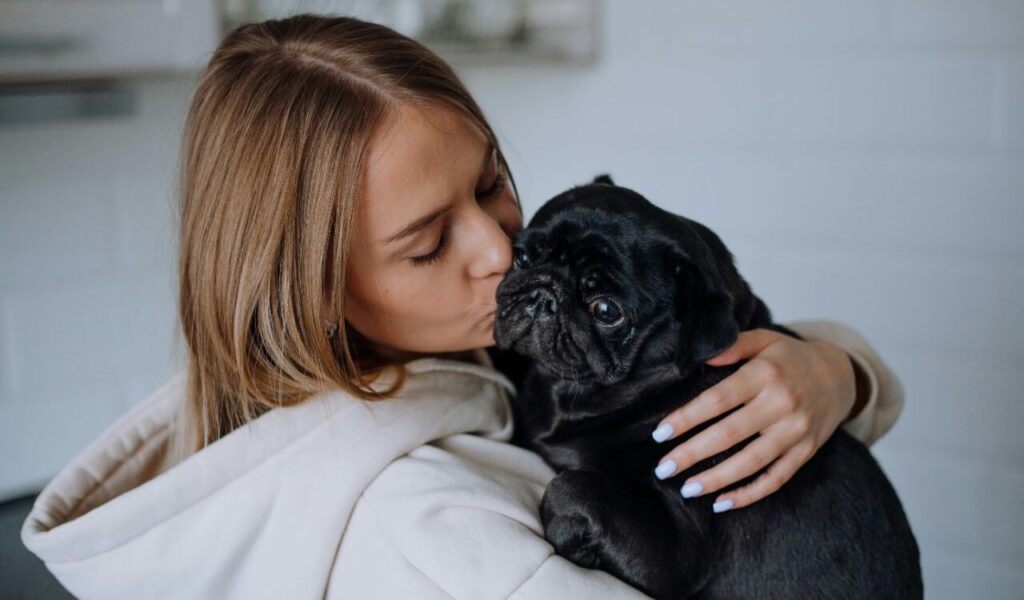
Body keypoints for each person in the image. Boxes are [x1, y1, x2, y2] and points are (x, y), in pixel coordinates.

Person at [21, 14, 904, 599]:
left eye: (491, 185)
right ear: (311, 295)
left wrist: (834, 369)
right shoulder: (433, 528)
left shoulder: (463, 353)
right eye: (427, 243)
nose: (499, 250)